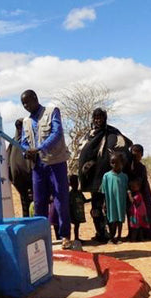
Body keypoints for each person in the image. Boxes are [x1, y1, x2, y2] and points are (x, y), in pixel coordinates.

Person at [19, 90, 73, 249]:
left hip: (56, 163)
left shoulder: (51, 112)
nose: (26, 106)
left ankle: (65, 236)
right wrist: (25, 152)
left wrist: (40, 148)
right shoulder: (26, 121)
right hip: (38, 167)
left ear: (35, 99)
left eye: (28, 102)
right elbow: (23, 141)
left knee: (60, 200)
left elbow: (57, 133)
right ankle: (41, 237)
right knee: (39, 203)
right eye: (23, 104)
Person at [78, 108, 132, 242]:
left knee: (109, 207)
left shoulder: (113, 134)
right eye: (96, 117)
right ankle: (100, 233)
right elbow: (83, 153)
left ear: (105, 118)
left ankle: (112, 234)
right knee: (96, 208)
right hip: (94, 179)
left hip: (111, 179)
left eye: (101, 117)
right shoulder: (89, 135)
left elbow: (124, 148)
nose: (98, 120)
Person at [128, 144, 151, 239]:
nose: (136, 157)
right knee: (133, 215)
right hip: (132, 193)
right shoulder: (128, 166)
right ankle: (133, 235)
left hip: (143, 192)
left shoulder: (141, 167)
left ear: (142, 155)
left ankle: (148, 234)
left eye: (138, 155)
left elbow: (141, 181)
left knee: (145, 213)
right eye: (134, 155)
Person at [100, 153, 129, 244]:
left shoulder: (124, 177)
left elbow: (127, 190)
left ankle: (119, 237)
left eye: (117, 163)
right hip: (110, 201)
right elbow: (104, 190)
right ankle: (111, 237)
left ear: (121, 163)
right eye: (112, 163)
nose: (114, 165)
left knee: (120, 219)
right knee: (111, 220)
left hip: (121, 201)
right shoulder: (106, 176)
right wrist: (104, 203)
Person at [7, 119, 33, 217]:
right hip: (22, 179)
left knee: (27, 202)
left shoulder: (14, 142)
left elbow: (7, 161)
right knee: (27, 202)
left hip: (25, 178)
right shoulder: (14, 142)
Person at [69, 175, 89, 241]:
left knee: (77, 226)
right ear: (71, 184)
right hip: (73, 213)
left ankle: (77, 238)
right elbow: (70, 204)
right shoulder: (70, 194)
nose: (76, 185)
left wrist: (93, 199)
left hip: (79, 213)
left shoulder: (79, 193)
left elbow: (85, 200)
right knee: (76, 226)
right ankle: (76, 238)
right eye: (74, 183)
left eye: (77, 183)